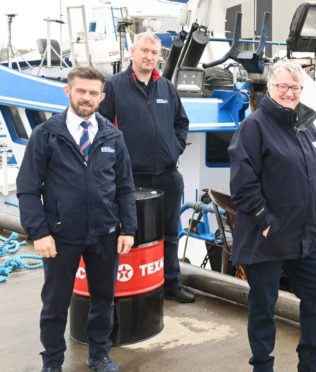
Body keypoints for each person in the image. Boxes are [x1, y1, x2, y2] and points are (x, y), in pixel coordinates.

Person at [17, 66, 137, 372]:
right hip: (60, 236)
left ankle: (100, 356)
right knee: (55, 305)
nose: (87, 98)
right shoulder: (46, 135)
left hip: (105, 234)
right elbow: (28, 189)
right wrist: (39, 232)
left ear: (101, 97)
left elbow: (125, 187)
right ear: (68, 91)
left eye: (93, 93)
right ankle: (53, 361)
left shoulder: (113, 135)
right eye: (81, 91)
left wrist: (128, 228)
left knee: (103, 300)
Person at [228, 60, 316, 372]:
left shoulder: (308, 126)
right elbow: (243, 183)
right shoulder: (254, 126)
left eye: (295, 87)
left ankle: (311, 361)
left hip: (307, 235)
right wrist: (265, 222)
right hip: (269, 236)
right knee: (263, 304)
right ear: (270, 89)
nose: (289, 92)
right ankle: (262, 364)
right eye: (283, 86)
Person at [99, 32, 193, 303]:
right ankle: (137, 288)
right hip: (131, 179)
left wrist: (175, 148)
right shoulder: (114, 87)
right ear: (132, 53)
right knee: (132, 234)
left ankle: (171, 283)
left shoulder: (166, 87)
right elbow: (103, 128)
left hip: (167, 175)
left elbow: (181, 123)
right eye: (144, 51)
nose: (150, 57)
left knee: (170, 232)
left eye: (155, 52)